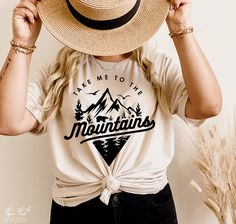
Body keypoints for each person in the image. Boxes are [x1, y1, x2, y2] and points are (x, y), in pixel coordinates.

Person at [0, 0, 222, 223]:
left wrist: (181, 30)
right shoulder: (58, 73)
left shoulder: (156, 67)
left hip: (150, 209)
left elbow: (208, 106)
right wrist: (22, 42)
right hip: (77, 210)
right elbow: (7, 122)